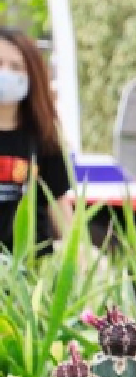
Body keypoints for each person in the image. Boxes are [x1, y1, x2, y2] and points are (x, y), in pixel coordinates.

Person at [0, 27, 73, 251]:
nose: (5, 73)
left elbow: (60, 208)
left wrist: (78, 260)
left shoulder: (44, 140)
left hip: (29, 273)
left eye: (16, 67)